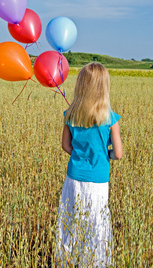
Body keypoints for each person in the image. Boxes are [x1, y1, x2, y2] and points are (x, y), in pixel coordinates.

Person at [55, 63, 122, 267]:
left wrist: (80, 156)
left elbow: (66, 146)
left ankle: (66, 259)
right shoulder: (110, 118)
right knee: (96, 221)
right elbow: (118, 154)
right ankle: (95, 261)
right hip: (99, 179)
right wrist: (105, 154)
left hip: (74, 177)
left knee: (71, 218)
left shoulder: (70, 114)